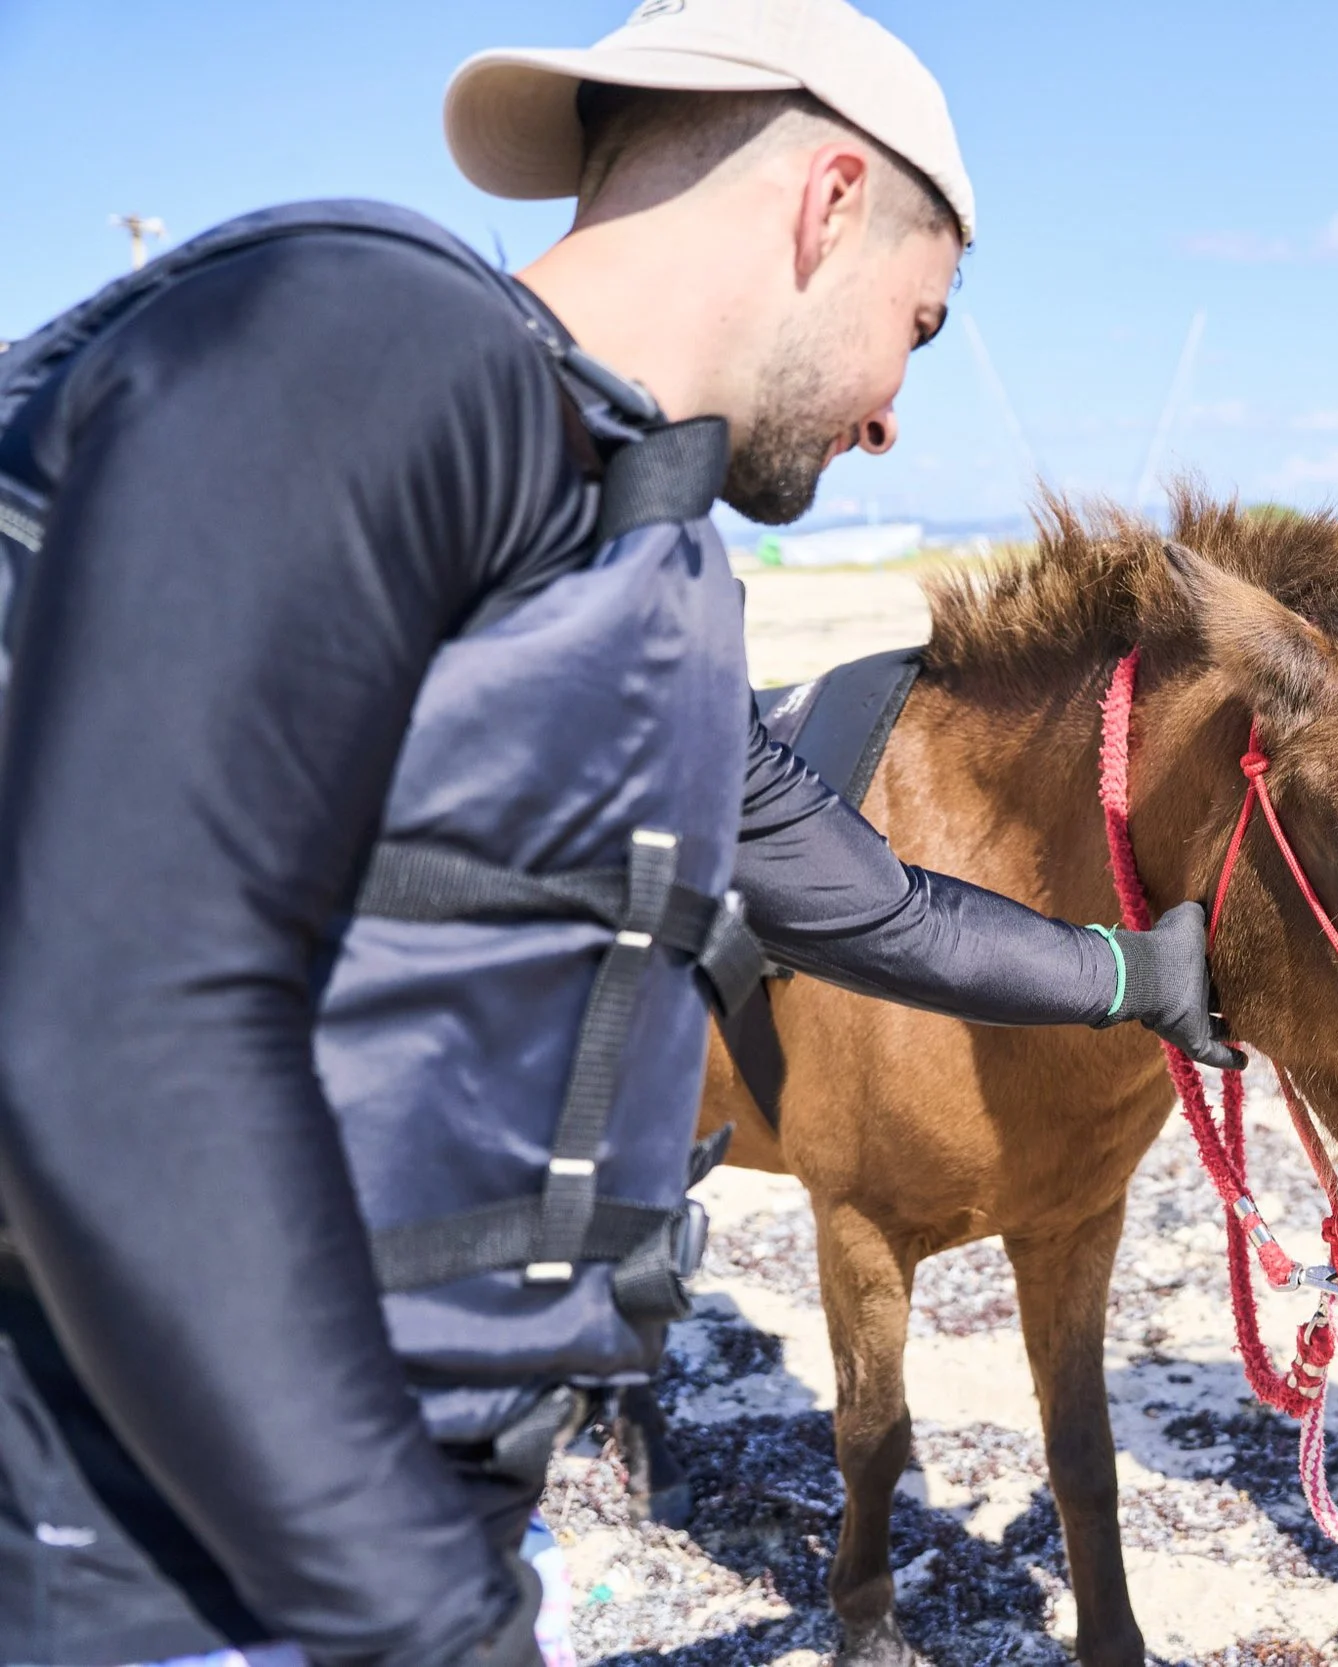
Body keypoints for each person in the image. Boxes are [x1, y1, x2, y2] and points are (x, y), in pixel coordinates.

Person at [0, 2, 1240, 1662]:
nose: (890, 414)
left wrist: (1135, 974)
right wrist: (429, 1614)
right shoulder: (365, 341)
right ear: (830, 206)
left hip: (412, 1518)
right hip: (175, 1563)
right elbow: (108, 1020)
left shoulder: (641, 560)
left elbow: (866, 903)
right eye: (919, 324)